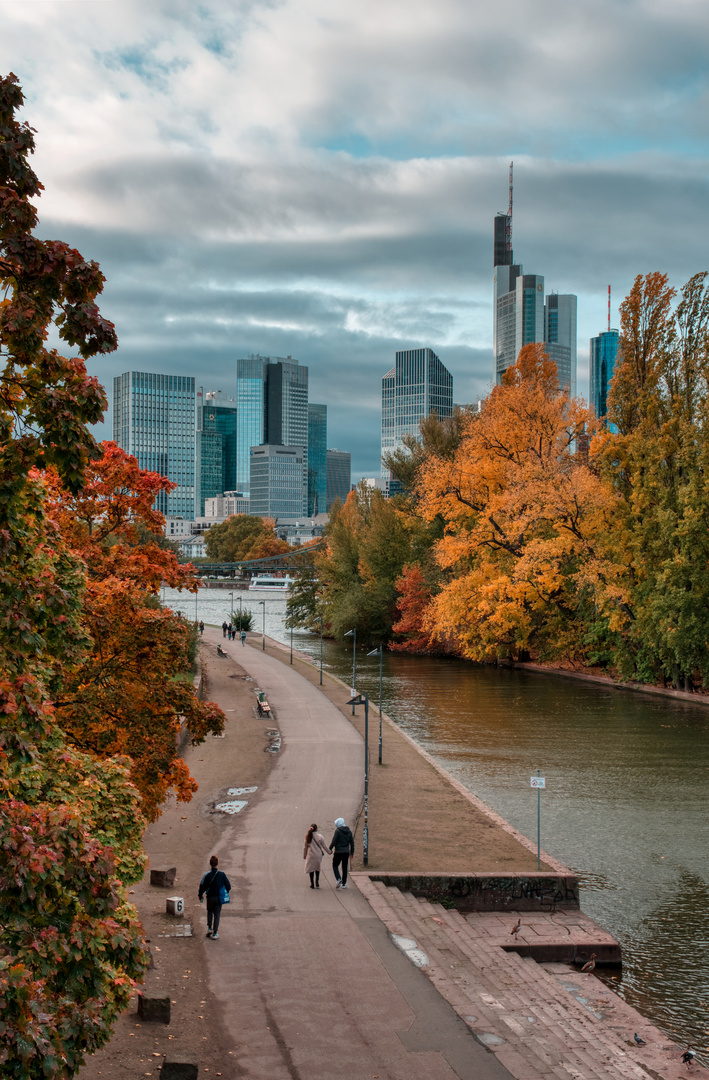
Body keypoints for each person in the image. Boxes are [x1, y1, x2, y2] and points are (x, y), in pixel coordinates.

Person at [198, 854, 231, 939]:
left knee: (209, 911)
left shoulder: (207, 875)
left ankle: (209, 928)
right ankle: (215, 932)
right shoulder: (222, 874)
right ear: (217, 863)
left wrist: (200, 895)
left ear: (210, 864)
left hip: (210, 897)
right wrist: (224, 893)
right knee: (217, 914)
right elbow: (228, 886)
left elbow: (202, 886)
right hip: (218, 897)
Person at [329, 817, 354, 889]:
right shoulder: (349, 831)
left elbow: (334, 841)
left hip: (338, 851)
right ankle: (344, 884)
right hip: (346, 852)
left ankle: (338, 878)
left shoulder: (338, 831)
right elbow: (352, 843)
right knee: (344, 867)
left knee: (335, 865)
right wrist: (352, 852)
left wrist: (330, 849)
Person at [303, 823, 329, 888]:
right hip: (318, 855)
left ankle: (312, 884)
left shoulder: (308, 837)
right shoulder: (320, 836)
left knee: (311, 869)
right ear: (316, 829)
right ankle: (317, 882)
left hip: (311, 855)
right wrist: (329, 852)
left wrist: (305, 854)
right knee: (317, 868)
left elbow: (305, 847)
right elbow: (324, 846)